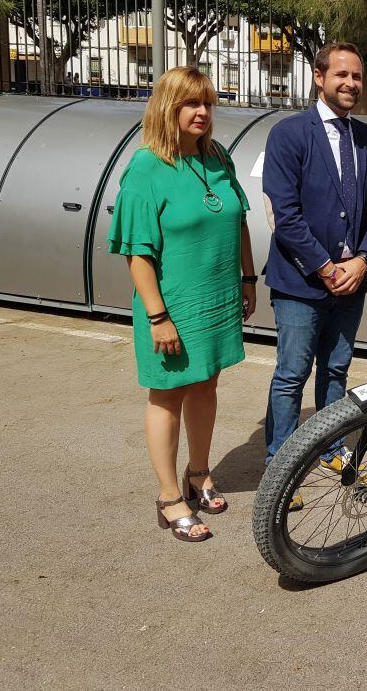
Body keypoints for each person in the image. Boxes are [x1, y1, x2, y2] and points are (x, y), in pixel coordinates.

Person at [107, 66, 255, 543]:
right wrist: (157, 316)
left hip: (217, 297)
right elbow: (137, 252)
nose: (202, 112)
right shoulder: (146, 169)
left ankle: (199, 472)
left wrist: (248, 279)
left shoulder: (217, 156)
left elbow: (240, 221)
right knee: (168, 395)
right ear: (167, 108)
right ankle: (169, 497)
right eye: (191, 103)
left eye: (208, 103)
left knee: (206, 385)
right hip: (171, 306)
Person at [262, 42, 367, 469]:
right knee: (292, 374)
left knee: (336, 370)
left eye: (357, 76)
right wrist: (326, 266)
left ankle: (330, 447)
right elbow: (286, 214)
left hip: (351, 282)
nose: (351, 83)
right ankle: (280, 460)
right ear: (319, 77)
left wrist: (363, 259)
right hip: (301, 282)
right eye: (342, 75)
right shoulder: (289, 134)